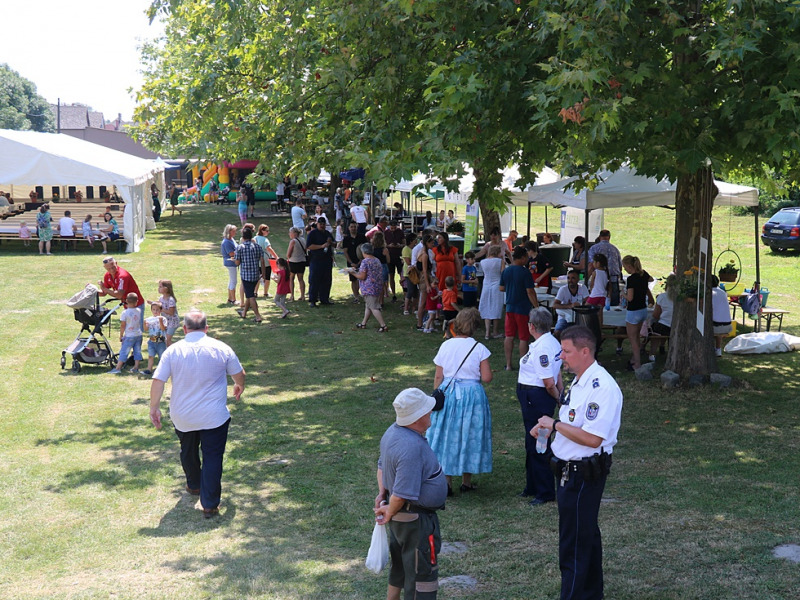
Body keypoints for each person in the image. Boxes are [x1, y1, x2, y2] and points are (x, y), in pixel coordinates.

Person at [532, 326, 623, 600]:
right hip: (568, 471)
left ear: (585, 351)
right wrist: (548, 428)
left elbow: (593, 439)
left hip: (583, 473)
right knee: (586, 536)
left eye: (567, 351)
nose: (561, 356)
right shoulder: (580, 381)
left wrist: (555, 424)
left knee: (573, 543)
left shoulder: (602, 387)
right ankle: (592, 593)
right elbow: (573, 422)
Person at [149, 310, 245, 519]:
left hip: (183, 415)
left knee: (188, 449)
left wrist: (154, 407)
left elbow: (158, 381)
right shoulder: (221, 348)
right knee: (212, 457)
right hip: (214, 416)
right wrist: (239, 385)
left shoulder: (173, 351)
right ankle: (209, 504)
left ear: (184, 329)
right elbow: (239, 373)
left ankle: (194, 485)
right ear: (206, 328)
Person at [374, 388, 448, 600]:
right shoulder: (411, 446)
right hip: (416, 522)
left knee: (400, 565)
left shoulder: (392, 432)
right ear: (418, 418)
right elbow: (403, 492)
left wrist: (382, 494)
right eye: (428, 410)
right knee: (421, 575)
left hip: (400, 517)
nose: (431, 412)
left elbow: (382, 466)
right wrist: (390, 508)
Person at [428, 308, 493, 495]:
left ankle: (446, 483)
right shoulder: (479, 348)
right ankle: (466, 481)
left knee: (448, 434)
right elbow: (487, 377)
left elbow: (439, 375)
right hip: (472, 395)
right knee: (470, 433)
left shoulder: (446, 346)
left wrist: (437, 394)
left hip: (448, 393)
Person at [517, 307, 563, 505]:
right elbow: (557, 373)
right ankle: (533, 485)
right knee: (532, 440)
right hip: (533, 396)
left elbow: (549, 382)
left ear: (532, 326)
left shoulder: (543, 347)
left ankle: (545, 491)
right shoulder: (548, 342)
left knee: (540, 441)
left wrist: (558, 397)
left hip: (537, 397)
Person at [499, 246, 540, 370]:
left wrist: (512, 288)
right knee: (523, 337)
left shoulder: (506, 271)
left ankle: (509, 364)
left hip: (510, 307)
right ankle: (523, 365)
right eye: (527, 257)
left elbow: (501, 288)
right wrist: (536, 306)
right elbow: (530, 292)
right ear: (522, 258)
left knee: (509, 336)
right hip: (522, 308)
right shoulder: (524, 272)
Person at [622, 255, 655, 370]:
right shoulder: (643, 275)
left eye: (625, 267)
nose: (624, 269)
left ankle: (637, 363)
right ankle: (634, 359)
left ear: (630, 266)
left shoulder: (631, 279)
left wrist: (623, 294)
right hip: (643, 310)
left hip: (633, 311)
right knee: (637, 337)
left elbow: (630, 298)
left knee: (633, 339)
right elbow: (651, 279)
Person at [352, 242, 389, 332]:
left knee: (374, 307)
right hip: (377, 286)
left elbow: (362, 276)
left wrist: (352, 273)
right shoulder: (376, 260)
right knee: (368, 306)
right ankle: (363, 323)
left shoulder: (365, 261)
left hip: (369, 288)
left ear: (364, 252)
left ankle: (383, 325)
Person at [98, 256, 145, 324]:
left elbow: (119, 295)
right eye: (108, 268)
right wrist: (93, 291)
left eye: (113, 267)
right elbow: (104, 292)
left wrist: (104, 289)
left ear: (116, 263)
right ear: (105, 268)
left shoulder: (122, 276)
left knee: (137, 329)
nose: (111, 270)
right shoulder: (107, 275)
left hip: (136, 304)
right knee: (129, 329)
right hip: (127, 304)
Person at [234, 227, 266, 323]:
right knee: (249, 293)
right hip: (256, 274)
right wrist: (263, 273)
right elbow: (262, 260)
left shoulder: (240, 247)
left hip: (246, 275)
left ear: (243, 237)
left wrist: (236, 259)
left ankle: (258, 316)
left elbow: (237, 263)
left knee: (250, 295)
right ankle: (244, 313)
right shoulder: (257, 246)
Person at [109, 293, 143, 375]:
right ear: (137, 301)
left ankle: (118, 368)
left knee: (124, 351)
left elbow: (123, 325)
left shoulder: (125, 313)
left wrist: (121, 335)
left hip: (129, 336)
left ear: (126, 301)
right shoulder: (139, 311)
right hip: (138, 334)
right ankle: (136, 367)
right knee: (137, 351)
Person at [587, 229, 623, 304]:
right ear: (609, 237)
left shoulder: (594, 248)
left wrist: (586, 278)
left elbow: (591, 265)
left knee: (598, 304)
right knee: (614, 305)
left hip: (599, 280)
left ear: (600, 237)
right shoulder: (615, 249)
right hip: (613, 278)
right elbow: (620, 267)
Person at [306, 216, 335, 307]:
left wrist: (331, 243)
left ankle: (324, 299)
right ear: (317, 224)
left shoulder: (327, 233)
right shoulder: (313, 233)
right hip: (316, 259)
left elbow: (335, 244)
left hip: (327, 260)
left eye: (323, 224)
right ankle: (313, 300)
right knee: (314, 280)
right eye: (320, 224)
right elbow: (309, 246)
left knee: (326, 280)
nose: (322, 226)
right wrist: (321, 246)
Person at [479, 245, 505, 339]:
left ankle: (487, 332)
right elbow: (503, 273)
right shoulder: (500, 261)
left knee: (487, 306)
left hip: (486, 284)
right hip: (497, 284)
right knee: (496, 307)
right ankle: (495, 331)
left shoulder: (483, 262)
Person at [648, 282, 674, 360]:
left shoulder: (662, 297)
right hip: (676, 325)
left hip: (664, 325)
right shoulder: (682, 298)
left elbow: (656, 315)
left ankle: (652, 353)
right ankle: (666, 349)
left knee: (654, 328)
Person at [342, 221, 366, 302]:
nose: (353, 228)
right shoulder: (346, 239)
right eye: (351, 227)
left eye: (354, 226)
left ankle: (360, 293)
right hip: (351, 262)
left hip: (361, 261)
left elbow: (365, 250)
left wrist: (360, 261)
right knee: (353, 279)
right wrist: (351, 263)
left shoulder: (362, 237)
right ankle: (356, 296)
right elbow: (345, 252)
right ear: (349, 228)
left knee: (361, 278)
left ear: (357, 227)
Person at [254, 224, 280, 298]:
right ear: (262, 231)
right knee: (267, 277)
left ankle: (255, 292)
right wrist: (276, 257)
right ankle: (266, 293)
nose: (268, 232)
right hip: (265, 261)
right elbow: (269, 249)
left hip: (256, 261)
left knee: (257, 277)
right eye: (267, 231)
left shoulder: (255, 238)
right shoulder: (265, 240)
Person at [142, 301, 167, 375]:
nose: (155, 311)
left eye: (157, 310)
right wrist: (144, 324)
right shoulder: (150, 319)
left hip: (160, 341)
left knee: (162, 356)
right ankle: (149, 369)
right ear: (151, 310)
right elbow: (146, 329)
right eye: (154, 309)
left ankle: (163, 370)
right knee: (151, 356)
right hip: (152, 341)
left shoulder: (163, 319)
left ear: (160, 310)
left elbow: (163, 329)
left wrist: (160, 321)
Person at [384, 220, 405, 303]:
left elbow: (404, 243)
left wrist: (400, 245)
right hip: (390, 256)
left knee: (401, 275)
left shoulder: (400, 232)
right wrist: (389, 245)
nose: (393, 229)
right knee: (391, 275)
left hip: (398, 256)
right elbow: (384, 243)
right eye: (391, 228)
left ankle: (404, 292)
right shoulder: (386, 232)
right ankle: (393, 294)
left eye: (394, 227)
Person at [711, 275, 732, 357]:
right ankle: (718, 349)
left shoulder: (709, 294)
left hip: (716, 326)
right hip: (728, 325)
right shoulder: (723, 293)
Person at [286, 227, 307, 302]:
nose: (289, 234)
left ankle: (292, 296)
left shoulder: (293, 241)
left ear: (294, 233)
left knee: (291, 278)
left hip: (294, 261)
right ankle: (302, 296)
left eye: (290, 232)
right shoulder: (303, 239)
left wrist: (288, 257)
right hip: (302, 261)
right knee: (301, 279)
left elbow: (288, 254)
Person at [157, 279, 180, 345]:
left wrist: (161, 309)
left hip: (172, 322)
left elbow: (171, 312)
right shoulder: (161, 298)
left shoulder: (171, 300)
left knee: (167, 339)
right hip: (166, 321)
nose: (159, 288)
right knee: (164, 339)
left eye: (160, 287)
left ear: (166, 289)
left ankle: (173, 353)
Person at [221, 224, 239, 305]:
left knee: (231, 280)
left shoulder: (231, 239)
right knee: (234, 281)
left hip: (232, 263)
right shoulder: (227, 242)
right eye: (233, 231)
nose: (235, 232)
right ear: (229, 232)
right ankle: (233, 300)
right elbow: (231, 254)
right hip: (230, 262)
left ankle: (229, 298)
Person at [401, 232, 419, 316]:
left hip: (415, 272)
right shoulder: (406, 249)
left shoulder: (414, 248)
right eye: (415, 239)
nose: (417, 240)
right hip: (409, 273)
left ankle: (414, 308)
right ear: (412, 240)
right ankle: (406, 308)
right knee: (410, 291)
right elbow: (408, 262)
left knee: (416, 292)